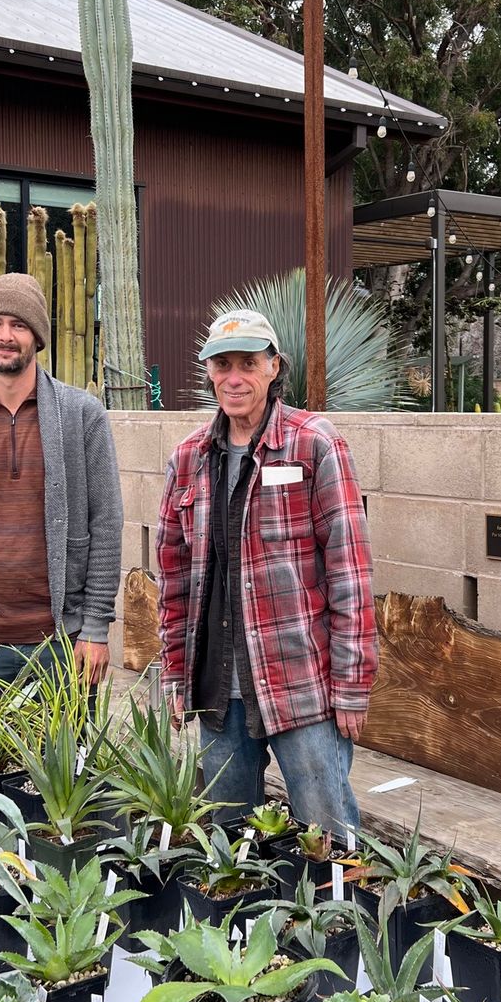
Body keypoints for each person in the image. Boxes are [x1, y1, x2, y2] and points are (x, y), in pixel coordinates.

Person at [156, 309, 378, 837]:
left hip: (300, 685)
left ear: (274, 367)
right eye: (223, 364)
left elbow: (351, 571)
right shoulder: (188, 457)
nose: (235, 378)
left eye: (249, 364)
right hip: (217, 687)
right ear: (209, 371)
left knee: (327, 839)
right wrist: (174, 673)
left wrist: (352, 684)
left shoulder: (314, 444)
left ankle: (335, 917)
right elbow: (173, 578)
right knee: (227, 846)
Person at [0, 272, 123, 685]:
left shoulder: (82, 415)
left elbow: (106, 523)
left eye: (19, 325)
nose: (5, 336)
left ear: (38, 337)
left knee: (63, 752)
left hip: (63, 644)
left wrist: (96, 627)